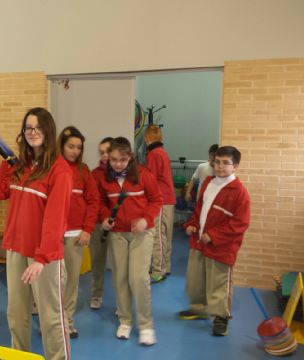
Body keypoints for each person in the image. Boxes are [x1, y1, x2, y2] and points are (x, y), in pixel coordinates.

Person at [0, 107, 72, 360]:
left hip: (43, 255)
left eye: (38, 127)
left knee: (50, 317)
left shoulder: (59, 170)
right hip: (16, 248)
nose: (33, 132)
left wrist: (42, 258)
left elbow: (56, 220)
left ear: (48, 130)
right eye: (28, 128)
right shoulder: (19, 165)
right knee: (16, 313)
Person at [179, 146, 250, 337]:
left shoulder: (239, 192)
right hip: (199, 241)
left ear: (235, 166)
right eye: (217, 162)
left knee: (218, 283)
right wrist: (192, 224)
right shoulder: (209, 181)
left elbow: (240, 223)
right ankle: (199, 308)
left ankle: (221, 318)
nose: (220, 166)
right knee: (195, 279)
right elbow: (200, 208)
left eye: (225, 163)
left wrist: (215, 235)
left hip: (221, 247)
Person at [98, 137, 162, 346]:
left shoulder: (144, 175)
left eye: (122, 160)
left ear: (130, 158)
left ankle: (145, 325)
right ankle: (125, 320)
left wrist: (146, 219)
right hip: (117, 234)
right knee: (120, 278)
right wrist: (104, 217)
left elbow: (156, 199)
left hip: (141, 234)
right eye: (114, 159)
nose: (118, 164)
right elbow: (100, 202)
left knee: (139, 278)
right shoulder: (105, 178)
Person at [57, 126, 100, 339]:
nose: (74, 151)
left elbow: (94, 201)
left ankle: (67, 321)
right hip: (53, 235)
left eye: (78, 147)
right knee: (54, 280)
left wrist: (87, 229)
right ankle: (52, 320)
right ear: (61, 147)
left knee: (71, 280)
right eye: (70, 146)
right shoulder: (51, 168)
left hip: (75, 236)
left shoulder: (84, 171)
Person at [144, 125, 176, 283]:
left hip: (161, 200)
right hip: (168, 199)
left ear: (146, 138)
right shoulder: (162, 152)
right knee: (165, 235)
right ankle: (165, 266)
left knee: (158, 235)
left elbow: (150, 179)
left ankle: (158, 270)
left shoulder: (153, 154)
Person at [88, 136, 113, 310]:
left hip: (119, 225)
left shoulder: (124, 173)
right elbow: (92, 201)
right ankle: (97, 294)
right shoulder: (95, 174)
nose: (104, 155)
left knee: (121, 265)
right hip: (98, 224)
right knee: (97, 260)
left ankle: (123, 302)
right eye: (102, 152)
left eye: (108, 151)